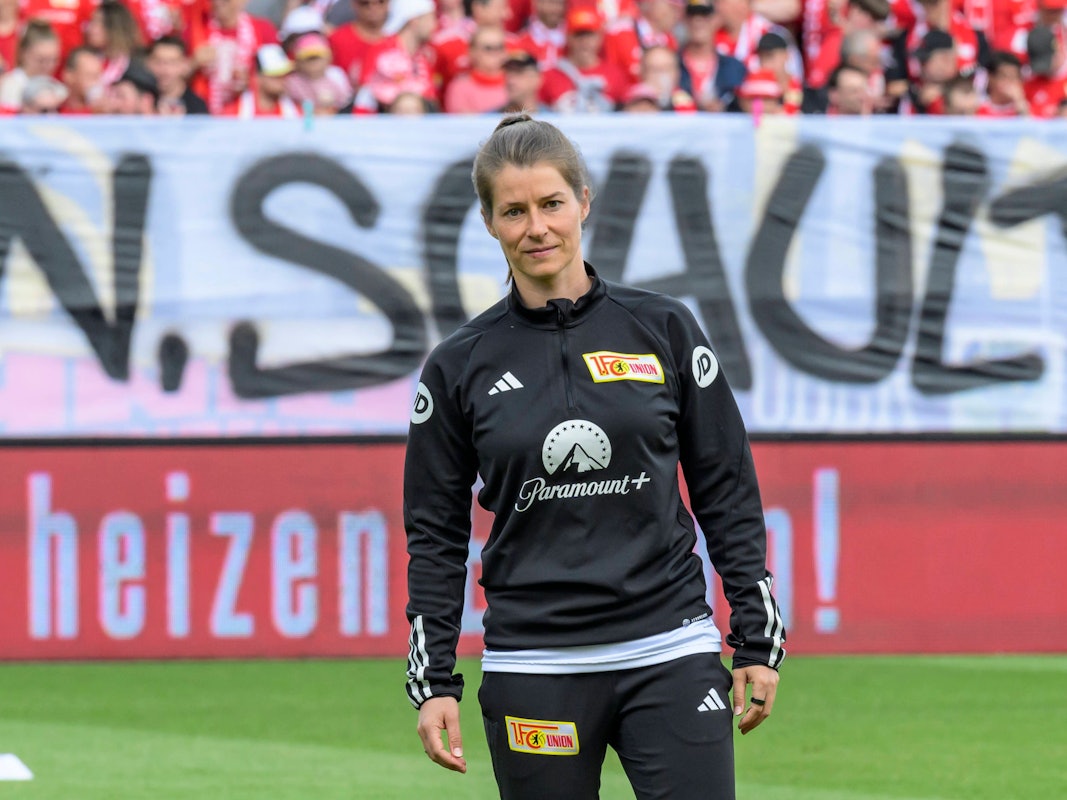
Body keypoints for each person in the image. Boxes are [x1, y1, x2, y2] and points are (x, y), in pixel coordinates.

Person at [405, 114, 785, 800]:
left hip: (670, 650)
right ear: (488, 223)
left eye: (551, 203)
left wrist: (754, 639)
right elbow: (435, 533)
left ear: (583, 201)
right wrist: (434, 681)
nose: (537, 227)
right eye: (514, 211)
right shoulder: (459, 365)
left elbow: (725, 487)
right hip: (533, 665)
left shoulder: (664, 327)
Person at [444, 24, 509, 112]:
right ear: (472, 52)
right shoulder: (459, 87)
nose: (495, 52)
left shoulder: (515, 83)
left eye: (500, 47)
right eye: (488, 48)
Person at [0, 20, 61, 112]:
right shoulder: (11, 85)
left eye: (53, 60)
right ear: (24, 54)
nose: (48, 66)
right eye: (41, 60)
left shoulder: (57, 87)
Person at [146, 35, 210, 115]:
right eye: (158, 62)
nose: (164, 70)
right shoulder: (141, 101)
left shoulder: (197, 107)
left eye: (172, 63)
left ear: (184, 65)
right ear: (148, 63)